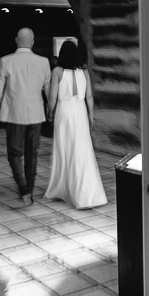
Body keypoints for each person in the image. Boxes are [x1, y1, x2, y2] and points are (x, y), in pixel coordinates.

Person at [44, 40, 108, 209]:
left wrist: (50, 112)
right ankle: (87, 192)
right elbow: (89, 97)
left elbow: (52, 97)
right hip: (80, 112)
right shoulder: (85, 72)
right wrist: (91, 114)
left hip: (64, 112)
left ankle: (63, 189)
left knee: (64, 150)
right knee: (82, 150)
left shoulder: (57, 71)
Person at [0, 27, 51, 204]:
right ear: (32, 43)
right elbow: (48, 90)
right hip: (36, 113)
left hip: (13, 114)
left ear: (16, 40)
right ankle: (30, 189)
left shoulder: (6, 61)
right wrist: (51, 109)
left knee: (14, 153)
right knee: (32, 153)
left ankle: (23, 187)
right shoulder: (43, 62)